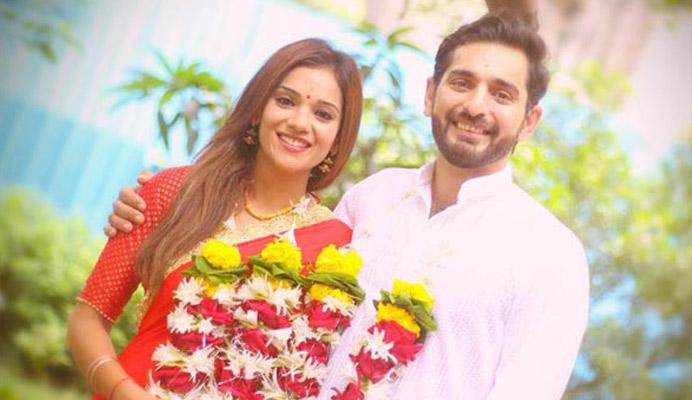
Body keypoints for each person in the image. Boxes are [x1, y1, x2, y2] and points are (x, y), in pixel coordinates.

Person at [104, 10, 589, 400]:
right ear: (430, 94)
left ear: (529, 121)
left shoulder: (550, 255)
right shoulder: (374, 197)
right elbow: (269, 278)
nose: (476, 106)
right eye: (461, 83)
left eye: (502, 94)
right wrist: (162, 207)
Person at [67, 38, 363, 400]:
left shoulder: (335, 249)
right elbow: (87, 319)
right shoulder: (174, 191)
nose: (300, 122)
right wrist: (123, 392)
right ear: (257, 109)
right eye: (285, 101)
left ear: (338, 138)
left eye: (323, 114)